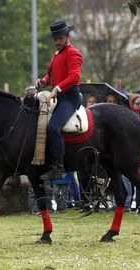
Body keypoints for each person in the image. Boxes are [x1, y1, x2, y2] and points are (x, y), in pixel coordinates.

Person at [36, 20, 83, 180]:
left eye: (60, 38)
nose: (57, 42)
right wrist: (43, 81)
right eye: (55, 39)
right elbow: (52, 76)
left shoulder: (73, 53)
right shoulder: (57, 54)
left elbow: (75, 76)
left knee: (53, 128)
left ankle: (59, 167)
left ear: (68, 36)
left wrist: (56, 89)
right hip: (58, 96)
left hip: (70, 98)